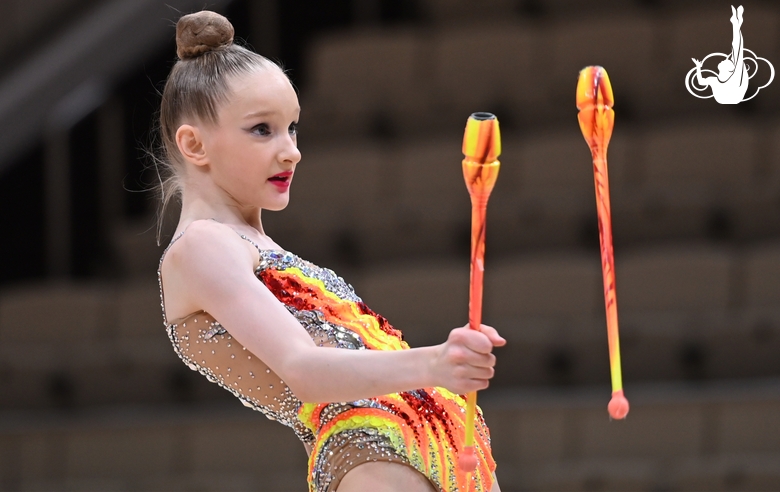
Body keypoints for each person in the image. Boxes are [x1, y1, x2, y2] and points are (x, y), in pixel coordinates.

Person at [154, 11, 504, 492]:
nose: (291, 150)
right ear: (195, 144)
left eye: (292, 128)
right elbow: (304, 370)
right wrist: (437, 362)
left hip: (429, 446)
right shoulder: (202, 246)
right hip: (373, 454)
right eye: (262, 130)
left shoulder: (253, 243)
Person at [692, 5, 748, 104]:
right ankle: (736, 23)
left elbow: (738, 49)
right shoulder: (716, 80)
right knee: (737, 51)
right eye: (728, 60)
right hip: (729, 97)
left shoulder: (731, 78)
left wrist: (698, 67)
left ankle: (736, 23)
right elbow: (701, 82)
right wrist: (698, 67)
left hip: (732, 96)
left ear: (729, 69)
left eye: (727, 61)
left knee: (737, 50)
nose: (725, 59)